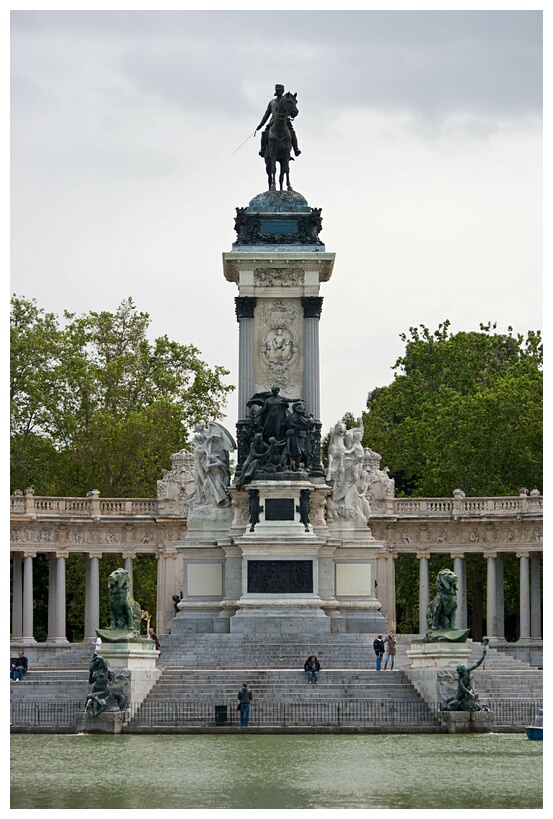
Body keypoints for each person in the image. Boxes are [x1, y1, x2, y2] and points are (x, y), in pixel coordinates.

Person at [256, 83, 301, 158]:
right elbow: (267, 114)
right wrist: (261, 124)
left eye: (279, 90)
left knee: (292, 132)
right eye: (277, 90)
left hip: (285, 121)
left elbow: (290, 109)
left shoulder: (286, 100)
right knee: (265, 132)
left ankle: (296, 149)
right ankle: (263, 149)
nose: (278, 92)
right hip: (273, 121)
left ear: (282, 91)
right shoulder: (272, 102)